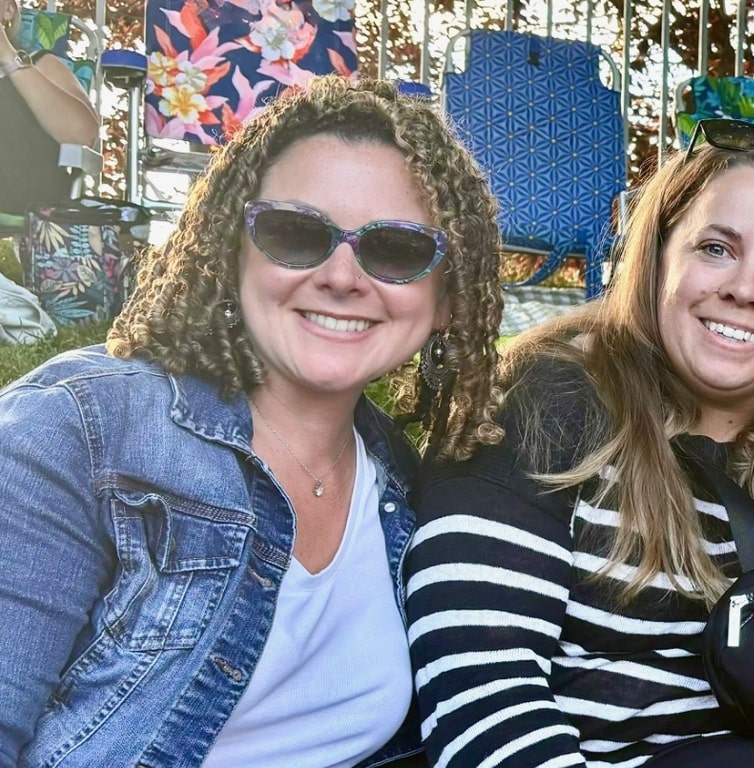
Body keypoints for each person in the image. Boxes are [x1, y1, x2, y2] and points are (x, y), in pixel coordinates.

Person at [0, 77, 503, 767]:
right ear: (229, 249)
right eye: (296, 233)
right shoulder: (78, 431)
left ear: (446, 298)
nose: (342, 275)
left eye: (395, 249)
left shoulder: (407, 487)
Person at [405, 118, 754, 767]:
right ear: (658, 258)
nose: (743, 289)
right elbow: (479, 688)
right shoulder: (550, 404)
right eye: (715, 248)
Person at [0, 0, 98, 212]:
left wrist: (9, 58)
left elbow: (82, 134)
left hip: (29, 213)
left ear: (8, 10)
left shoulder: (41, 64)